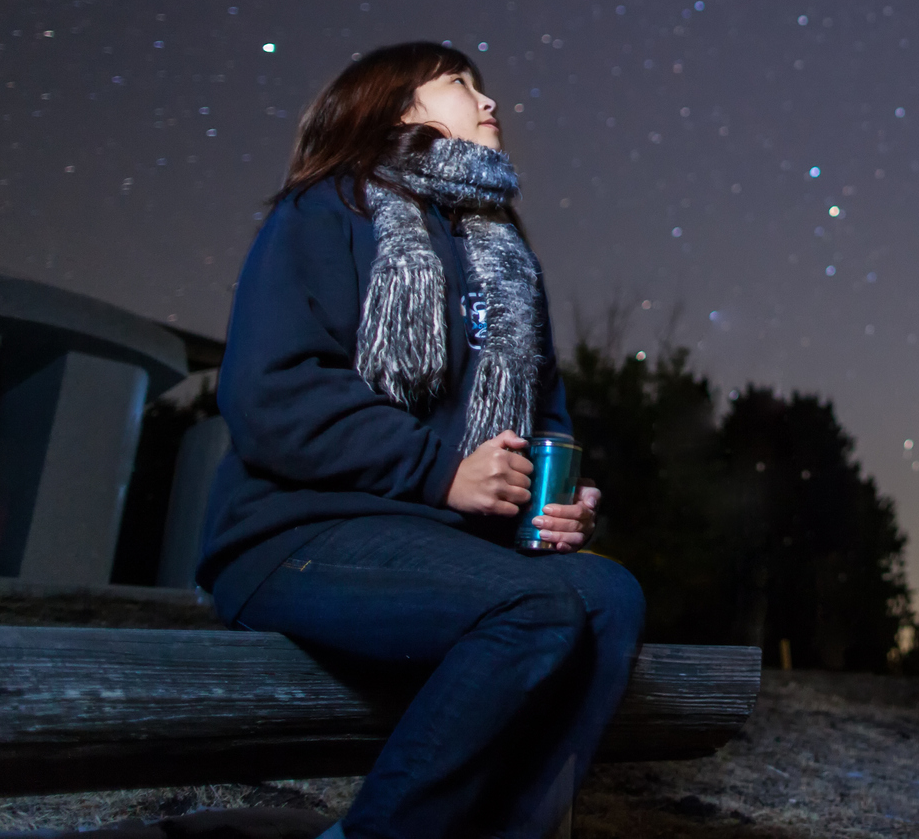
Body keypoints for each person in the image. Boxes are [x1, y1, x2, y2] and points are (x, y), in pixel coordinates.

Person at [197, 41, 644, 839]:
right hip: (299, 536)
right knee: (537, 607)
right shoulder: (327, 210)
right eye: (461, 84)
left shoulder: (505, 256)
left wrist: (553, 504)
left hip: (446, 547)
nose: (489, 100)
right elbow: (273, 395)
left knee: (609, 596)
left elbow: (545, 418)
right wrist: (441, 472)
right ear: (401, 107)